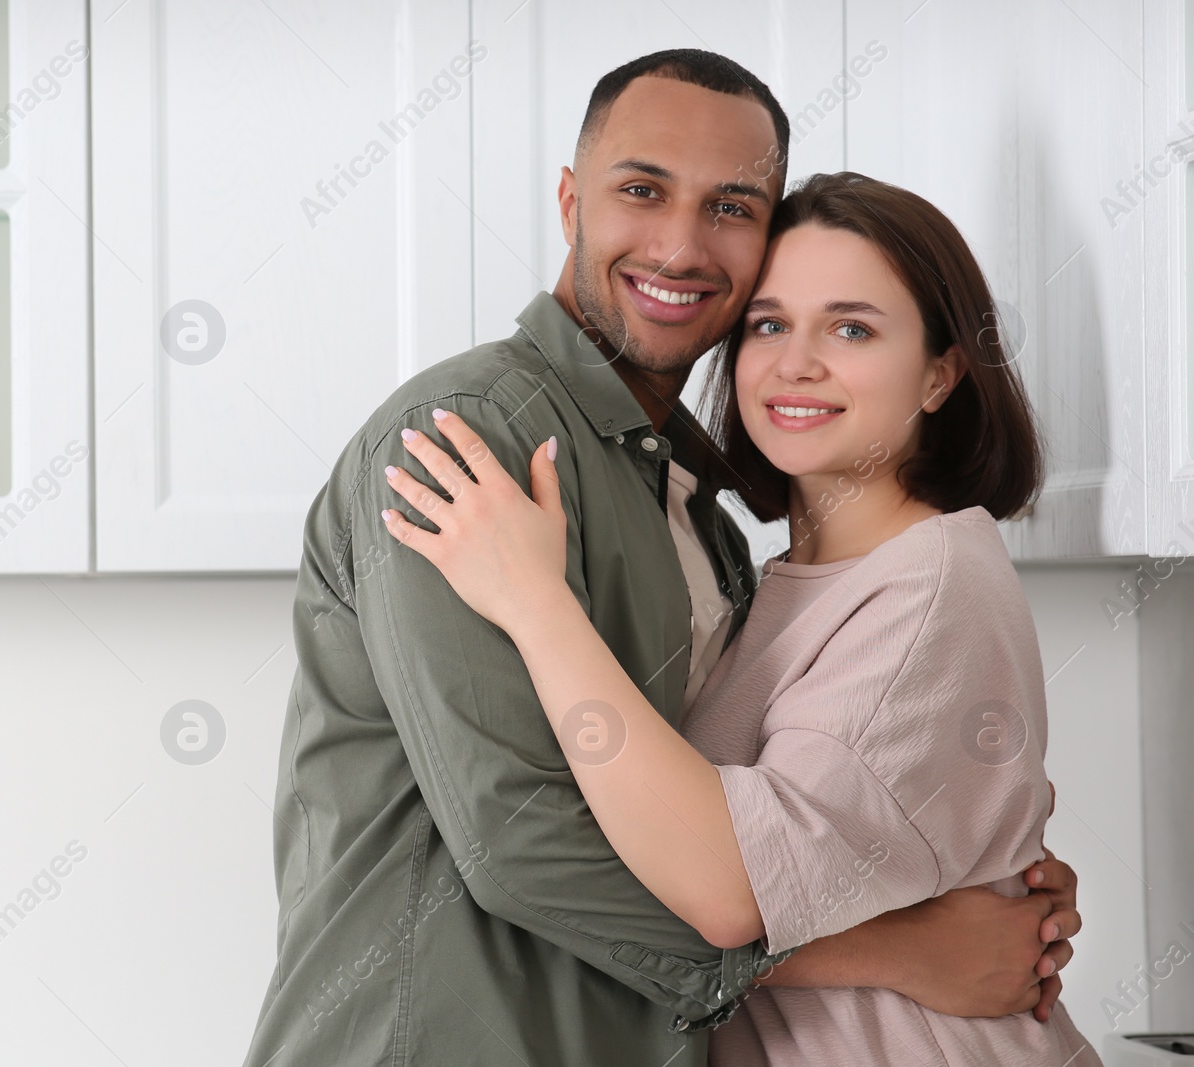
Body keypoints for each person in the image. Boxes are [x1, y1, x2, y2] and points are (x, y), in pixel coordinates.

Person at [242, 49, 1082, 1067]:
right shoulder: (468, 442)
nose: (681, 245)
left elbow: (721, 818)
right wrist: (897, 945)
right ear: (570, 202)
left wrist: (969, 864)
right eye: (642, 190)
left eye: (730, 207)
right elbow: (521, 846)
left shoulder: (709, 515)